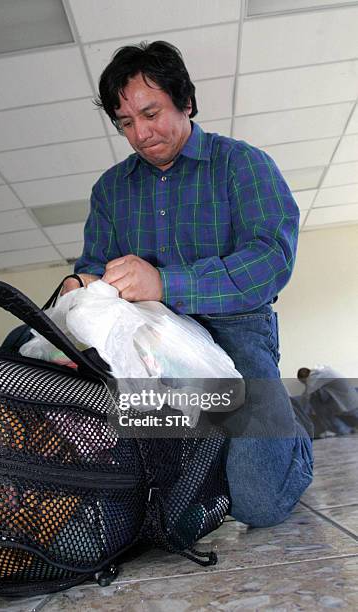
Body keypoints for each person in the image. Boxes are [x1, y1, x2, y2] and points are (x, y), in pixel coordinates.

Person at [63, 41, 313, 527]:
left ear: (187, 102)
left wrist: (165, 283)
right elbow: (93, 263)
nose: (140, 133)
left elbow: (271, 260)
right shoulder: (111, 189)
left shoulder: (242, 164)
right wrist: (81, 284)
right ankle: (224, 441)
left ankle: (289, 434)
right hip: (149, 340)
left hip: (236, 329)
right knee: (152, 494)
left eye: (151, 113)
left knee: (259, 504)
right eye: (126, 123)